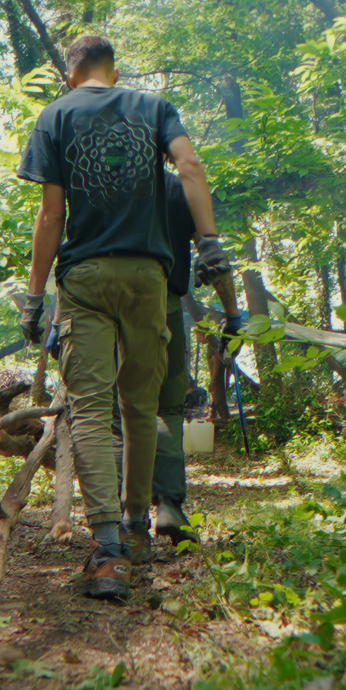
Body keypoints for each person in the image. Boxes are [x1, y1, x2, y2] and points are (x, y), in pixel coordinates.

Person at [14, 36, 232, 601]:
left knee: (89, 409)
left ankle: (107, 549)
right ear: (114, 71)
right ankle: (139, 532)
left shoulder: (56, 115)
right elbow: (189, 164)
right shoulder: (154, 108)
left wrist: (35, 297)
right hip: (149, 278)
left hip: (85, 278)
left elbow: (51, 213)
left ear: (70, 74)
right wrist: (209, 243)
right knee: (141, 409)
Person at [136, 170, 245, 559]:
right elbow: (212, 259)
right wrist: (233, 315)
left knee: (116, 412)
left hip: (101, 311)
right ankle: (169, 503)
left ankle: (125, 522)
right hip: (161, 304)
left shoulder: (96, 180)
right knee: (166, 408)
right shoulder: (177, 186)